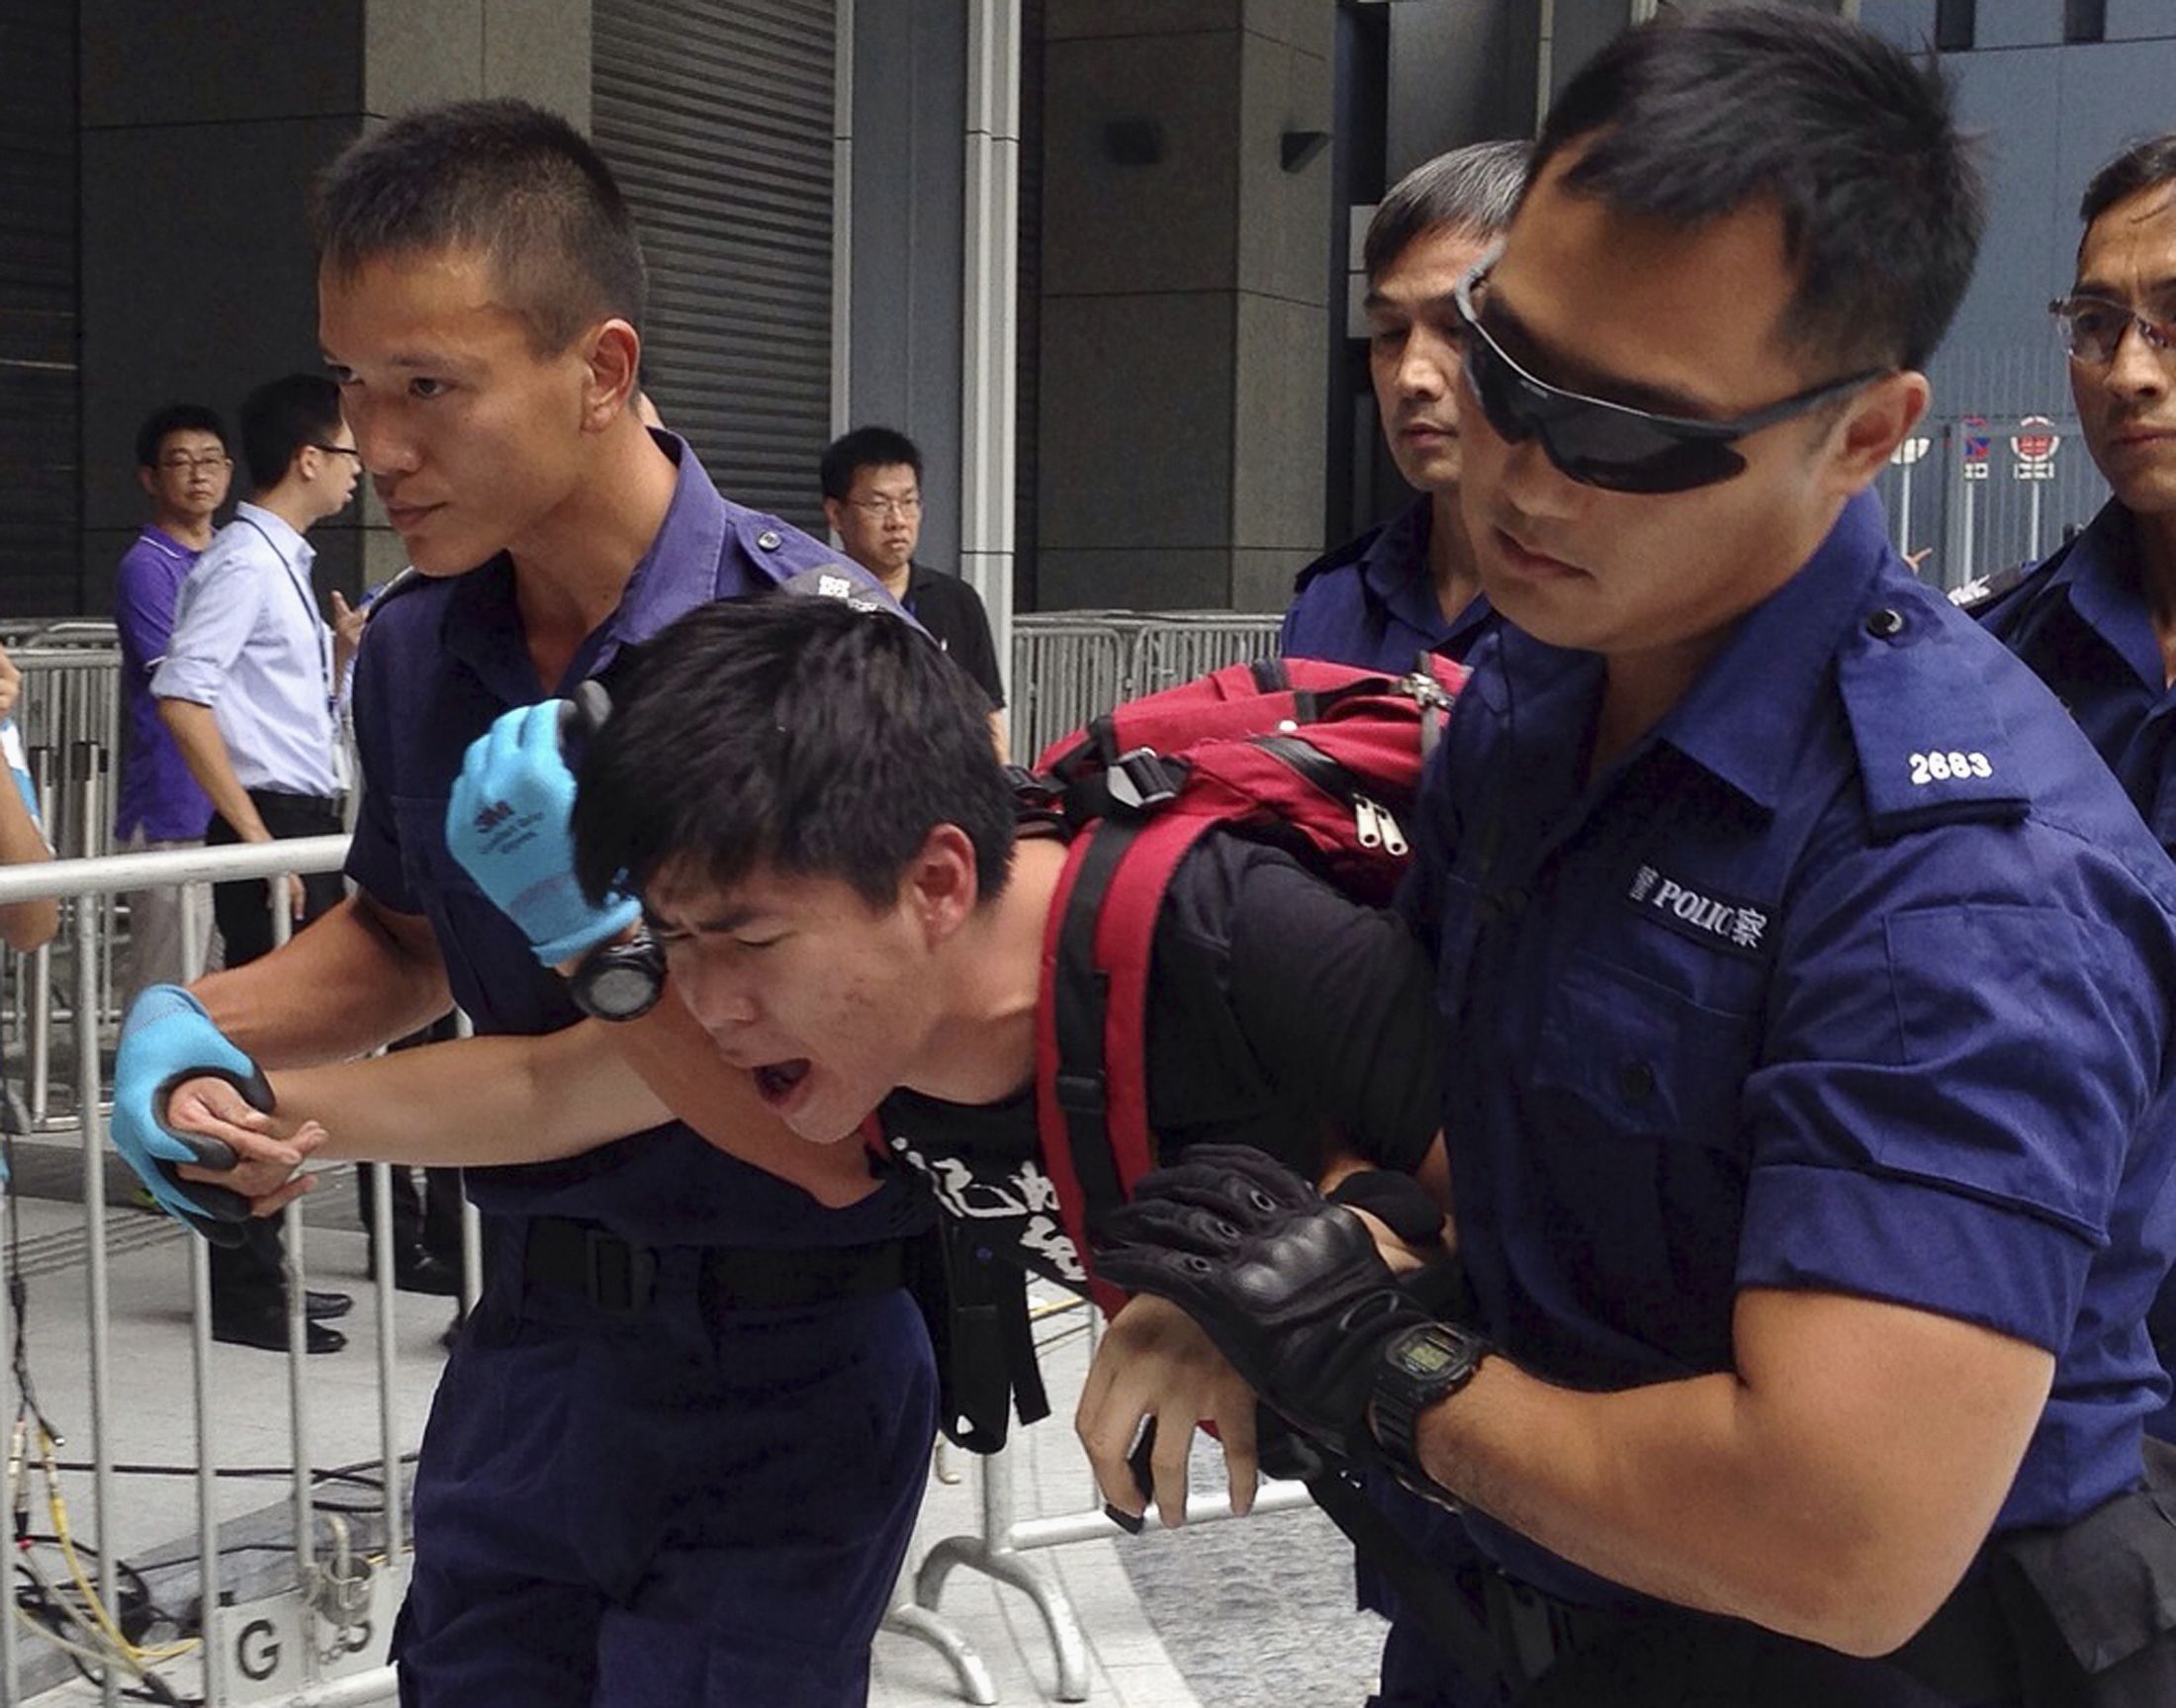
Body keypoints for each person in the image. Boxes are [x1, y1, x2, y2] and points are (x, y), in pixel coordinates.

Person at [1079, 10, 2176, 1705]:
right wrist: (1296, 1267)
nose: (1520, 470)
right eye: (1506, 367)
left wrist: (1380, 1362)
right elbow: (1491, 1137)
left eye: (1631, 432)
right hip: (1501, 1625)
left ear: (1865, 434)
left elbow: (1838, 1538)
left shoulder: (1960, 886)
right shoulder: (1531, 691)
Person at [108, 99, 936, 1707]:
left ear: (601, 369)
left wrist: (313, 1103)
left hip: (783, 1358)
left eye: (429, 386)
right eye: (353, 380)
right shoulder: (421, 645)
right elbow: (408, 931)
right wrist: (207, 1030)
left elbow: (826, 1130)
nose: (375, 443)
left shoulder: (818, 658)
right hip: (539, 1349)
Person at [1976, 134, 2176, 1445]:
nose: (2132, 370)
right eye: (2098, 323)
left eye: (2174, 321)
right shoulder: (1996, 663)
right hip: (2053, 1383)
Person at [151, 373, 361, 1354]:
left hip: (294, 821)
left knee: (295, 1047)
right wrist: (256, 835)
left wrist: (340, 660)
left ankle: (268, 1266)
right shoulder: (243, 561)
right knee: (263, 1052)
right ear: (309, 458)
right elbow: (184, 693)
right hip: (269, 825)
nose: (362, 471)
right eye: (351, 452)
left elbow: (270, 703)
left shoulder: (277, 559)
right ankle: (245, 1283)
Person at [1282, 141, 1529, 674]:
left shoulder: (1631, 619)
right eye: (1390, 333)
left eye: (1460, 329)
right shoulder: (1333, 606)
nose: (1411, 376)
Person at [114, 404, 231, 1003]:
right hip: (172, 802)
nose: (198, 475)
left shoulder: (233, 559)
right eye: (180, 463)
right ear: (150, 478)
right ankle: (149, 1096)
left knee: (227, 984)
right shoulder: (147, 566)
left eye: (210, 460)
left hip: (230, 798)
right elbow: (180, 680)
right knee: (170, 981)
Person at [820, 425, 1009, 754]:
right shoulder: (815, 601)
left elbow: (987, 713)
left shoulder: (957, 601)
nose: (898, 521)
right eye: (878, 505)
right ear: (836, 514)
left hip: (941, 792)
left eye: (908, 502)